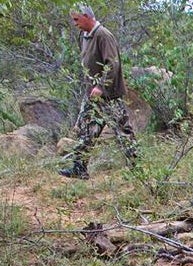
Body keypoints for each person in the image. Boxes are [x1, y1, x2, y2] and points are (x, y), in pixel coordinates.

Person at [59, 4, 137, 180]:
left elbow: (113, 64)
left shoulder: (103, 35)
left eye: (76, 19)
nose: (74, 23)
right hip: (92, 96)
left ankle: (137, 169)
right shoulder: (84, 36)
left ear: (87, 16)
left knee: (122, 131)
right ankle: (79, 168)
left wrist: (101, 86)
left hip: (109, 95)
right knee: (87, 129)